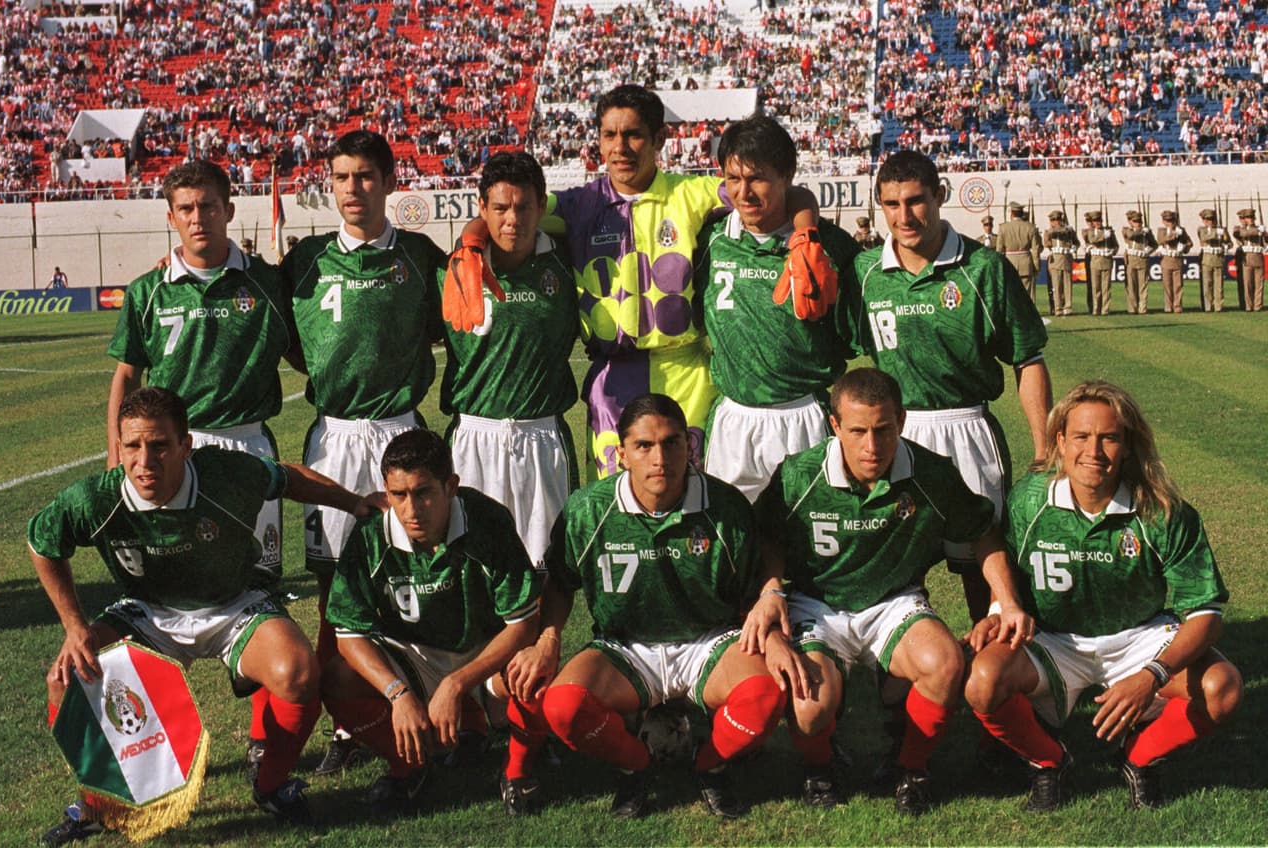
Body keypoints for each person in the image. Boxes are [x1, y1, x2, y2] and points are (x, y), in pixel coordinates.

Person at [31, 387, 385, 845]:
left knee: (297, 672)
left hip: (232, 605)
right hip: (147, 614)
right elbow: (43, 544)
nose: (144, 461)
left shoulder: (225, 474)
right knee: (64, 678)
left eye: (159, 445)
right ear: (118, 447)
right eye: (132, 446)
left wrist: (355, 503)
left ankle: (272, 787)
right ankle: (99, 804)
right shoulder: (96, 499)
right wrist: (75, 627)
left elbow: (288, 479)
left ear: (186, 445)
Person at [442, 84, 836, 479]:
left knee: (691, 494)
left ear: (659, 139)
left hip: (687, 372)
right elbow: (508, 209)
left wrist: (806, 234)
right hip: (613, 376)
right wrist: (472, 240)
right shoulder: (578, 205)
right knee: (619, 498)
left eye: (633, 134)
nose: (620, 147)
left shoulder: (691, 193)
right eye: (609, 135)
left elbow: (788, 191)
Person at [742, 368, 1032, 814]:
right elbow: (767, 539)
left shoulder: (930, 473)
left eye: (884, 429)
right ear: (835, 425)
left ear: (901, 418)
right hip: (817, 606)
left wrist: (1006, 601)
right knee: (809, 702)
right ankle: (821, 769)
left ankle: (909, 769)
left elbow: (983, 532)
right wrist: (772, 590)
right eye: (857, 431)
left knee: (946, 663)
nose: (872, 446)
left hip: (895, 601)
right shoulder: (798, 476)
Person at [503, 394, 785, 819]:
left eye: (672, 443)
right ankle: (636, 765)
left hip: (708, 641)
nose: (660, 458)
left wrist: (773, 617)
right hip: (624, 646)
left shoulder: (724, 507)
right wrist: (549, 638)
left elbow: (752, 583)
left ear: (689, 447)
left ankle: (710, 765)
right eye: (644, 446)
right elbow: (560, 582)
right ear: (621, 455)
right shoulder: (588, 509)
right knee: (563, 705)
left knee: (767, 693)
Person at [964, 380, 1241, 812]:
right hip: (1055, 641)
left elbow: (1205, 614)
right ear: (1060, 440)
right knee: (982, 681)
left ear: (1128, 445)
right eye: (1081, 437)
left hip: (1139, 639)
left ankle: (1139, 759)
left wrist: (1152, 674)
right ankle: (1050, 762)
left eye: (1109, 438)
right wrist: (1003, 605)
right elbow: (992, 543)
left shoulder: (1162, 510)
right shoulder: (1030, 500)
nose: (1093, 451)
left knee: (1222, 689)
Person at [282, 129, 446, 775]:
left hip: (400, 432)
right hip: (334, 434)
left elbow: (447, 325)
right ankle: (347, 726)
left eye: (366, 176)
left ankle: (426, 702)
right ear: (331, 182)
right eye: (343, 176)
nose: (354, 188)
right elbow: (292, 342)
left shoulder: (421, 258)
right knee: (333, 585)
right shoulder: (304, 261)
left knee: (412, 575)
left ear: (388, 181)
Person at [854, 149, 1051, 623]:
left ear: (940, 196)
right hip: (893, 433)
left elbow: (1028, 359)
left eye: (916, 201)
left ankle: (993, 666)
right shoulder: (863, 273)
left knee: (981, 563)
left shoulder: (983, 269)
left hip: (965, 427)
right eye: (892, 204)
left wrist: (1045, 449)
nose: (905, 216)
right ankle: (907, 668)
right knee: (898, 566)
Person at [321, 429, 543, 814]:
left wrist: (457, 684)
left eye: (423, 492)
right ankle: (408, 766)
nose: (410, 510)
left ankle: (517, 770)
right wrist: (398, 694)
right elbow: (348, 634)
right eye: (398, 495)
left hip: (484, 654)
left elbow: (523, 623)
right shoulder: (372, 535)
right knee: (336, 679)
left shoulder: (487, 520)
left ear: (451, 486)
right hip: (414, 658)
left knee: (533, 671)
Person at [106, 160, 291, 583]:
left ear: (228, 210)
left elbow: (302, 351)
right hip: (171, 450)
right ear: (172, 218)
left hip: (248, 443)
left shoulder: (267, 282)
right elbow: (127, 376)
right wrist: (118, 450)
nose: (198, 218)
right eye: (186, 209)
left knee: (257, 578)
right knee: (172, 582)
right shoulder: (146, 290)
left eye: (208, 206)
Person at [696, 115, 860, 501]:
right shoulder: (711, 239)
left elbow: (853, 335)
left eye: (757, 178)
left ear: (786, 174)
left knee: (805, 542)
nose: (744, 192)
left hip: (804, 413)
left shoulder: (829, 246)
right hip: (733, 417)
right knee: (735, 539)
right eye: (733, 179)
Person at [437, 151, 579, 565]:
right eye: (499, 208)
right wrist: (470, 240)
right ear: (482, 208)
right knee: (470, 565)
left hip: (542, 437)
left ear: (541, 205)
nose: (511, 219)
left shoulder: (567, 263)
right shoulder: (454, 268)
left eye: (523, 207)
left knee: (547, 567)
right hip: (472, 439)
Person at [996, 202, 1042, 306]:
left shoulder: (1003, 228)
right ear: (1021, 213)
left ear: (1011, 213)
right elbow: (1036, 249)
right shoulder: (1031, 227)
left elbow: (999, 250)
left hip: (1009, 263)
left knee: (1011, 293)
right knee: (1027, 294)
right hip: (1026, 262)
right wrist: (1036, 266)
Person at [1155, 210, 1192, 314]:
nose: (1170, 223)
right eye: (1167, 220)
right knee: (1167, 285)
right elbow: (1161, 241)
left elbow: (1189, 243)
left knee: (1178, 285)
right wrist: (1174, 234)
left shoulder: (1181, 230)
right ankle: (1168, 306)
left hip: (1177, 259)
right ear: (1163, 221)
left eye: (1172, 220)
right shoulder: (1161, 231)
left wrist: (1184, 247)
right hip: (1166, 259)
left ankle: (1177, 305)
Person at [1043, 210, 1079, 317]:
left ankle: (1067, 307)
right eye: (1053, 220)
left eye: (1057, 219)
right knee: (1056, 285)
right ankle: (1058, 307)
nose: (1055, 222)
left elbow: (1077, 242)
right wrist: (1065, 229)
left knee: (1067, 285)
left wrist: (1074, 247)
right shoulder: (1049, 231)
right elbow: (1047, 242)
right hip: (1055, 259)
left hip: (1066, 258)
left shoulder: (1069, 231)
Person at [1120, 210, 1157, 315]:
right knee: (1131, 285)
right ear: (1130, 222)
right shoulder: (1126, 230)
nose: (1138, 223)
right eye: (1135, 221)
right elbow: (1131, 236)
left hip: (1142, 259)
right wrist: (1142, 231)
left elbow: (1154, 244)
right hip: (1131, 259)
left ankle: (1143, 308)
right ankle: (1132, 308)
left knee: (1143, 285)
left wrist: (1148, 250)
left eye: (1139, 221)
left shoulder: (1146, 232)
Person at [1082, 211, 1118, 316]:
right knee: (1096, 287)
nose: (1097, 223)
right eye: (1095, 221)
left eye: (1099, 220)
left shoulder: (1109, 232)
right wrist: (1104, 235)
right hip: (1095, 261)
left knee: (1106, 287)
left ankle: (1105, 309)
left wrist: (1112, 251)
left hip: (1106, 260)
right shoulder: (1091, 232)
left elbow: (1116, 245)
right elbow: (1093, 240)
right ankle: (1096, 309)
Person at [1196, 209, 1231, 312]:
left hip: (1218, 259)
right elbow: (1204, 238)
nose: (1209, 222)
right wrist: (1216, 233)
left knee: (1219, 285)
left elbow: (1230, 243)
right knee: (1207, 285)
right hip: (1206, 259)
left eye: (1211, 219)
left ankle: (1218, 306)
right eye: (1206, 219)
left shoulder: (1222, 230)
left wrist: (1225, 246)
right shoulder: (1202, 229)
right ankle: (1207, 306)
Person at [1233, 208, 1264, 312]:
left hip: (1258, 257)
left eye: (1251, 217)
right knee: (1248, 284)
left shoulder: (1260, 229)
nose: (1249, 219)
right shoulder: (1240, 229)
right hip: (1246, 258)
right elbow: (1242, 234)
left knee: (1259, 284)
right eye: (1247, 218)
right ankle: (1248, 305)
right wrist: (1257, 230)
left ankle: (1257, 306)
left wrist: (1264, 233)